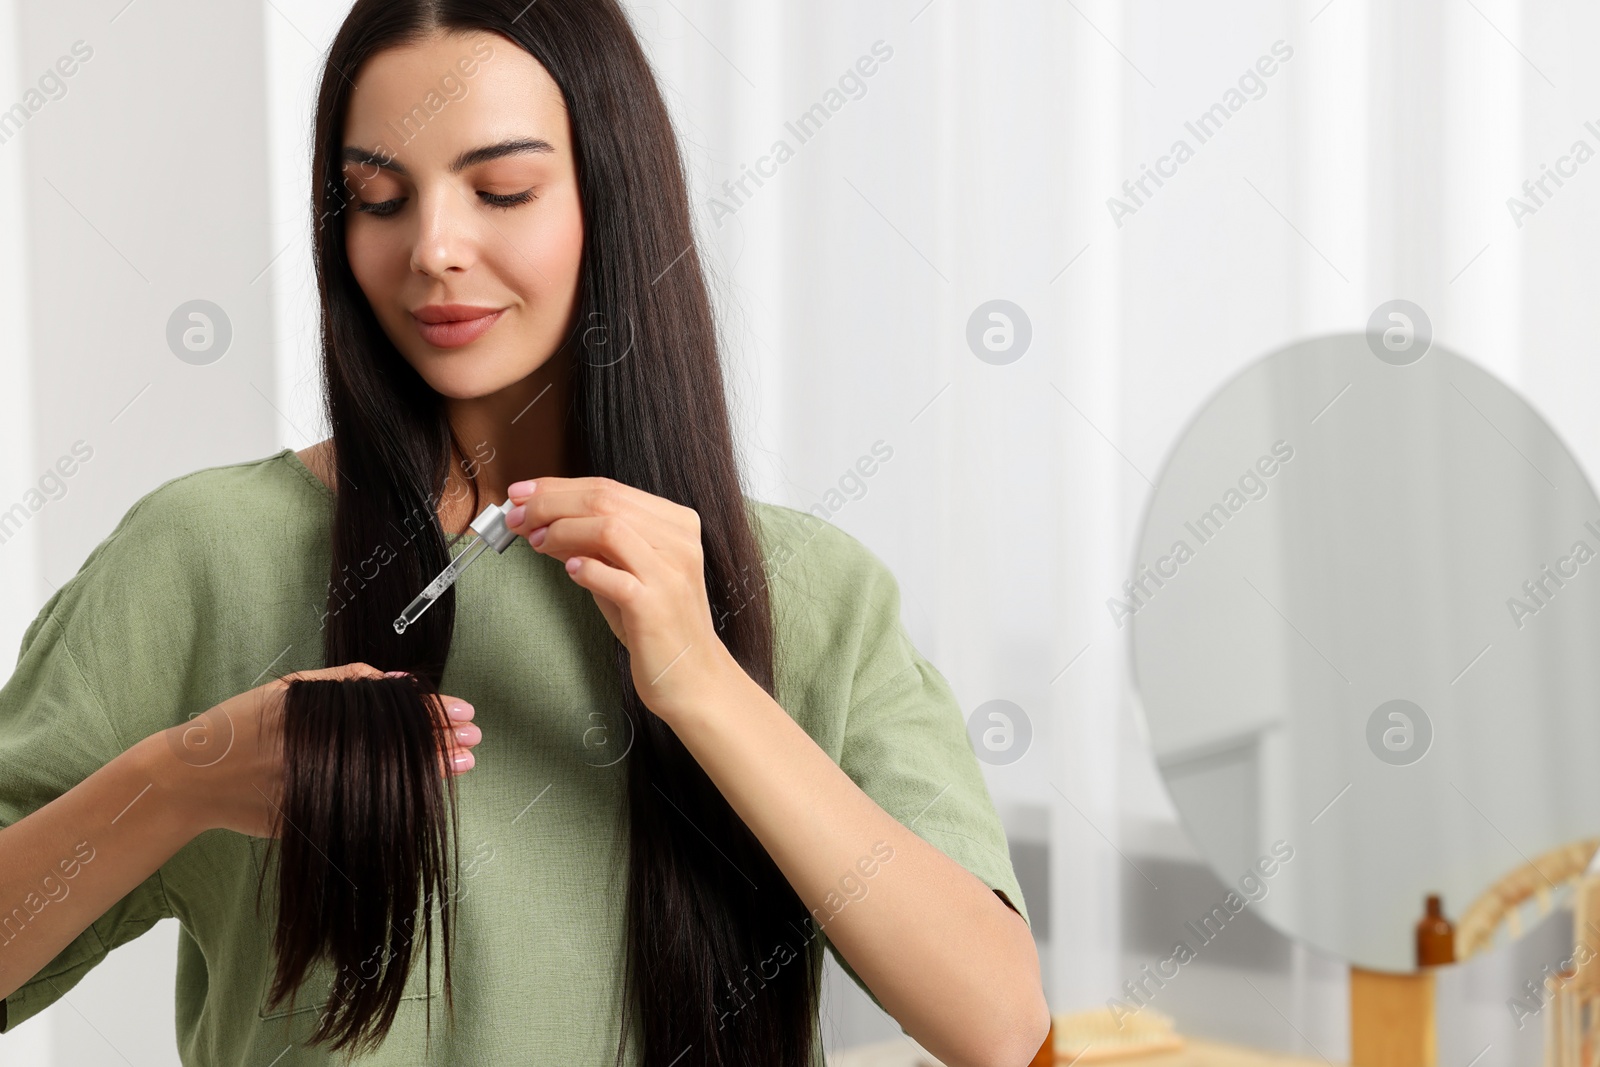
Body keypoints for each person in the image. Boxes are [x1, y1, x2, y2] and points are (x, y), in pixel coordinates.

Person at [0, 1, 1048, 1064]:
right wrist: (177, 778)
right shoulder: (200, 554)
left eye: (503, 190)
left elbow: (998, 1023)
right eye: (377, 199)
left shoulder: (808, 586)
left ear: (612, 199)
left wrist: (703, 680)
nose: (434, 249)